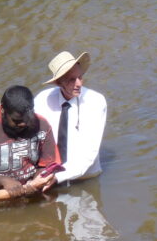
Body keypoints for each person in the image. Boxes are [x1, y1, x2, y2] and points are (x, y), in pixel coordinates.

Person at [0, 85, 60, 190]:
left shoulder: (42, 124)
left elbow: (48, 164)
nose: (23, 124)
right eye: (17, 121)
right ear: (3, 111)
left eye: (28, 119)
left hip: (34, 189)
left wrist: (38, 179)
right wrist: (2, 181)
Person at [35, 50, 107, 184]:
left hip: (85, 178)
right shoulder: (42, 100)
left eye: (80, 77)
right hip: (49, 176)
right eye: (71, 80)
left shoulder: (95, 102)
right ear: (58, 83)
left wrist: (56, 178)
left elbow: (89, 154)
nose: (79, 84)